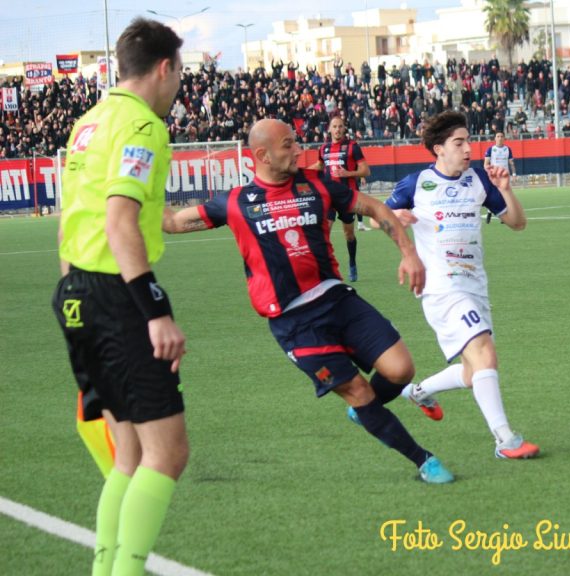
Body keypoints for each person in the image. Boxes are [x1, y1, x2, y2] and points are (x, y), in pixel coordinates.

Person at [163, 119, 455, 484]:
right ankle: (423, 460)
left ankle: (365, 410)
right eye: (288, 145)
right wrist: (126, 193)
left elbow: (376, 210)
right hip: (295, 323)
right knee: (357, 390)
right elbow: (173, 222)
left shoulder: (317, 184)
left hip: (337, 299)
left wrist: (408, 254)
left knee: (401, 370)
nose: (298, 150)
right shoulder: (236, 202)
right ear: (262, 155)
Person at [51, 19, 189, 576]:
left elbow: (71, 220)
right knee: (166, 452)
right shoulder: (142, 125)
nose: (178, 85)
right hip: (116, 295)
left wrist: (73, 296)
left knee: (128, 455)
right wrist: (154, 311)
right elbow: (120, 221)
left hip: (75, 291)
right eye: (179, 73)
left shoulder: (89, 121)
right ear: (164, 68)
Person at [384, 111, 540, 460]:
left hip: (475, 285)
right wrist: (394, 218)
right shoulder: (416, 183)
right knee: (485, 354)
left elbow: (518, 223)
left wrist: (505, 190)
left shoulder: (479, 180)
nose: (469, 148)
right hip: (441, 288)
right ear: (439, 149)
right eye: (459, 143)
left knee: (473, 372)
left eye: (469, 141)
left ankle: (418, 392)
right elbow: (377, 216)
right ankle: (505, 440)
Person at [309, 115, 370, 282]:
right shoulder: (324, 148)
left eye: (340, 126)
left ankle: (352, 263)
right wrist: (301, 173)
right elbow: (319, 165)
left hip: (346, 196)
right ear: (329, 129)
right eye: (334, 126)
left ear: (344, 128)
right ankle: (325, 270)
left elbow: (366, 171)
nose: (337, 129)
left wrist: (348, 173)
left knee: (348, 234)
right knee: (325, 232)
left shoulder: (352, 147)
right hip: (328, 197)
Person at [483, 130, 516, 223]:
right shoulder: (491, 149)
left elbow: (511, 163)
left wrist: (514, 174)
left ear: (504, 138)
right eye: (498, 136)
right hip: (494, 176)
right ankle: (489, 212)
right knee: (494, 196)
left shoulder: (507, 149)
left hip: (505, 176)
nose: (500, 138)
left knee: (505, 195)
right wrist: (489, 172)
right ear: (495, 138)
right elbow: (486, 164)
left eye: (501, 136)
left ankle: (503, 217)